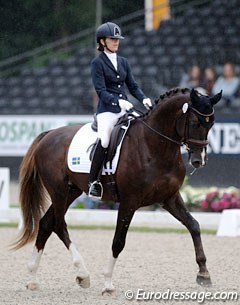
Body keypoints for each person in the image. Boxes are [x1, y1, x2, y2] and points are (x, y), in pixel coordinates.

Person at [89, 22, 152, 199]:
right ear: (102, 41)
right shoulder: (97, 63)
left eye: (117, 39)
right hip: (107, 111)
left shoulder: (123, 62)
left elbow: (132, 86)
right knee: (104, 140)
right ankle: (93, 181)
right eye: (112, 39)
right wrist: (118, 102)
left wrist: (143, 98)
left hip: (125, 108)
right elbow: (100, 91)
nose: (116, 42)